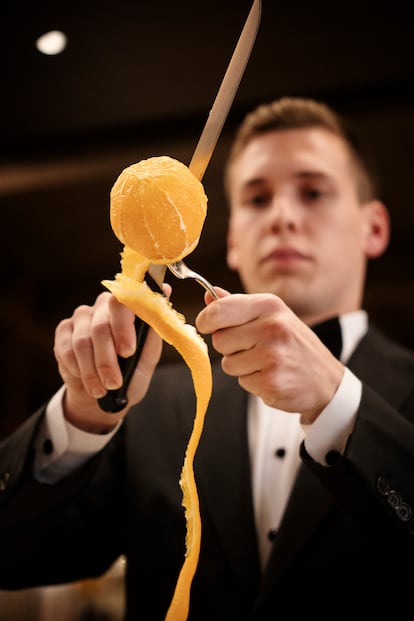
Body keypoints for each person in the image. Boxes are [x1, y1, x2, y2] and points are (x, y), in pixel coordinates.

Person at [0, 96, 413, 620]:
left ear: (374, 227)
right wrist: (80, 419)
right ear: (234, 240)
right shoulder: (148, 406)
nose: (283, 216)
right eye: (257, 198)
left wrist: (339, 405)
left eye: (313, 192)